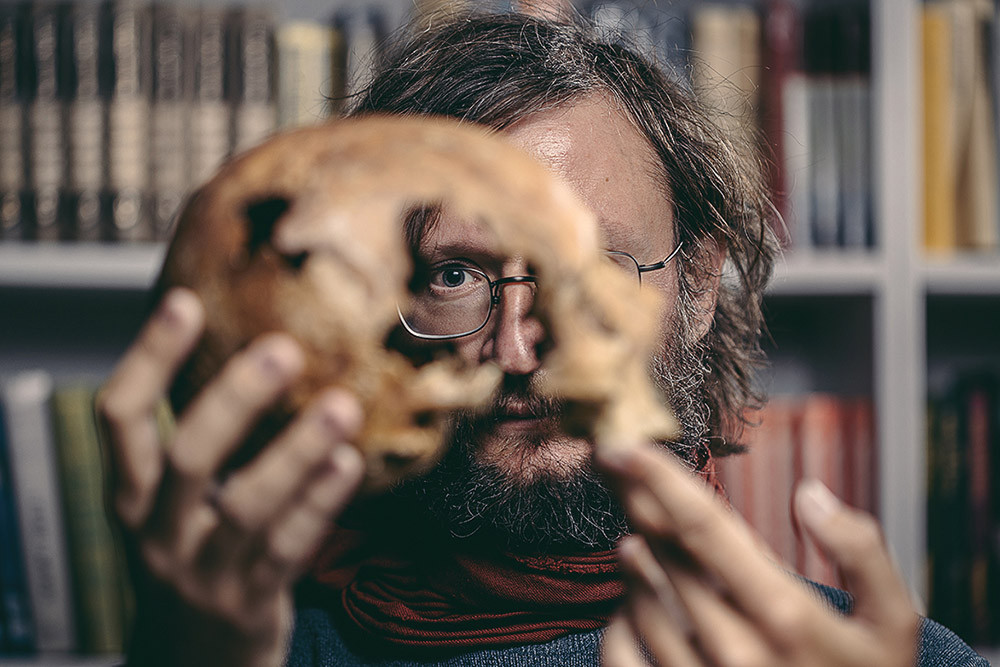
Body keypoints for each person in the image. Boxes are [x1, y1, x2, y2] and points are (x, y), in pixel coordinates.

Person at [97, 10, 988, 667]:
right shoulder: (234, 640)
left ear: (698, 287)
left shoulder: (871, 657)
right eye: (454, 273)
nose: (520, 352)